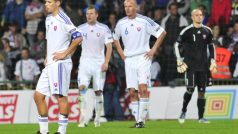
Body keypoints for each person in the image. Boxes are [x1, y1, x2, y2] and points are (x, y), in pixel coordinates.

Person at [113, 0, 166, 128]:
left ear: (136, 7)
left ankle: (142, 121)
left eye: (130, 6)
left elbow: (162, 33)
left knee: (142, 88)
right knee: (132, 91)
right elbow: (115, 38)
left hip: (143, 58)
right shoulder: (121, 23)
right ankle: (138, 121)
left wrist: (153, 50)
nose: (127, 8)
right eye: (125, 6)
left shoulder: (145, 21)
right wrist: (121, 54)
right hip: (129, 60)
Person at [33, 0, 82, 134]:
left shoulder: (63, 18)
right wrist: (47, 56)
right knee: (38, 96)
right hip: (50, 63)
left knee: (61, 97)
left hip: (60, 64)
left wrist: (65, 53)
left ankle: (61, 131)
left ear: (58, 3)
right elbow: (50, 39)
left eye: (49, 2)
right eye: (45, 2)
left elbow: (78, 37)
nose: (46, 4)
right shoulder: (48, 18)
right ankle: (44, 131)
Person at [174, 9, 217, 124]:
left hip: (203, 67)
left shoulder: (207, 31)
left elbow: (211, 46)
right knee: (190, 89)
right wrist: (180, 60)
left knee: (202, 92)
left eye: (201, 15)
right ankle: (183, 110)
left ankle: (201, 118)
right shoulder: (186, 31)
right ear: (192, 17)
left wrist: (213, 60)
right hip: (190, 67)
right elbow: (177, 44)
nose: (199, 17)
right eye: (196, 15)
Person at [77, 5, 113, 128]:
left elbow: (109, 47)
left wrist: (106, 62)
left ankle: (97, 118)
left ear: (96, 15)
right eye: (87, 14)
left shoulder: (104, 28)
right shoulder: (80, 29)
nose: (89, 15)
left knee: (98, 91)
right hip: (85, 62)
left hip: (99, 63)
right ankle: (84, 119)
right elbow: (73, 45)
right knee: (82, 89)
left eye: (91, 13)